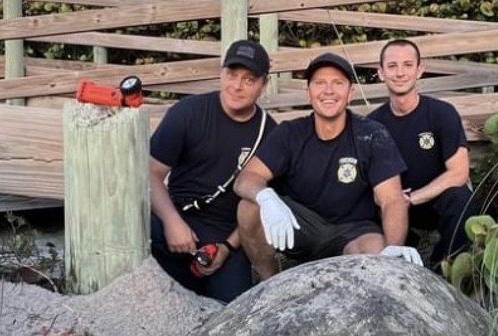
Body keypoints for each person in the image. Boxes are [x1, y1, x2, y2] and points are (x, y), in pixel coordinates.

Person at [234, 52, 421, 280]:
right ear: (308, 92)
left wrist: (393, 246)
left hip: (352, 230)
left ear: (350, 93)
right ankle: (267, 281)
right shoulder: (289, 133)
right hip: (300, 225)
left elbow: (391, 199)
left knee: (377, 252)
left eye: (338, 83)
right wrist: (266, 196)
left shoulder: (372, 134)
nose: (328, 91)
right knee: (249, 206)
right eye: (320, 83)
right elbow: (247, 177)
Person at [148, 39, 276, 302]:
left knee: (232, 305)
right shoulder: (187, 112)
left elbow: (261, 207)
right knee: (137, 232)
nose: (237, 86)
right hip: (175, 215)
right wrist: (173, 222)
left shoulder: (270, 133)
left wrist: (227, 248)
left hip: (226, 235)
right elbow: (150, 173)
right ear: (221, 73)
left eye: (249, 79)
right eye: (231, 75)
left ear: (263, 84)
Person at [369, 38, 478, 266]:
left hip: (434, 199)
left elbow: (459, 173)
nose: (400, 73)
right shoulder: (372, 125)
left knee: (461, 199)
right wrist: (392, 201)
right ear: (381, 73)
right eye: (392, 66)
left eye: (408, 65)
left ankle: (444, 269)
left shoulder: (442, 113)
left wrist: (410, 198)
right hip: (391, 206)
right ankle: (393, 263)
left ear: (420, 70)